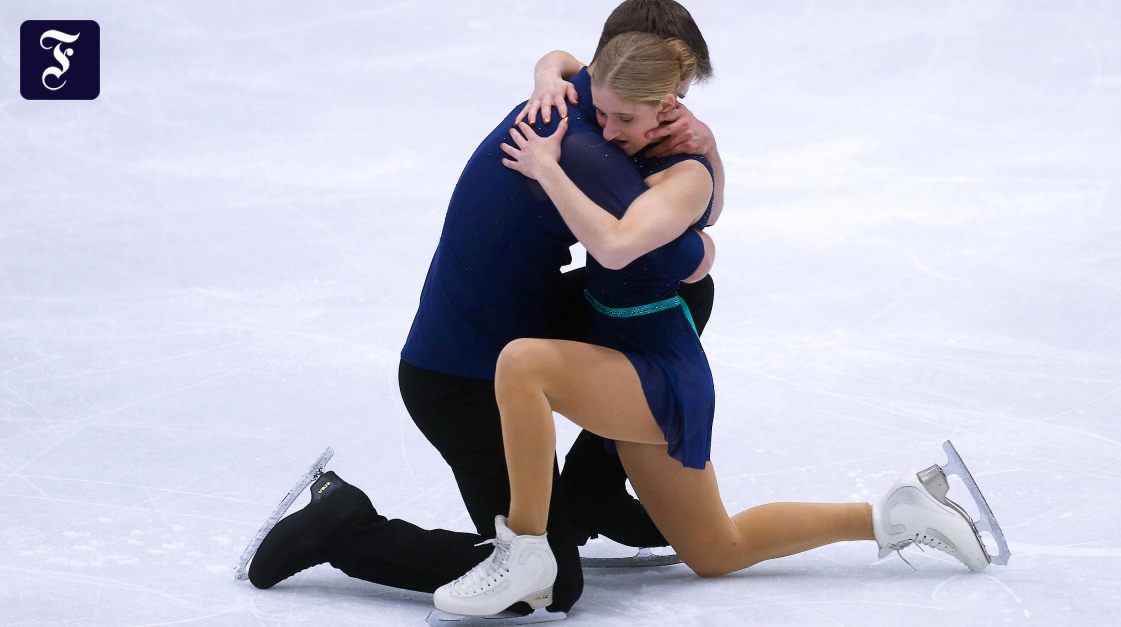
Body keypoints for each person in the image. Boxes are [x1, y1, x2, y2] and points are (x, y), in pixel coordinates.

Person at [433, 32, 1004, 618]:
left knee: (522, 363)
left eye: (624, 118)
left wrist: (548, 169)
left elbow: (614, 246)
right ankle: (894, 513)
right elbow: (572, 64)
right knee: (716, 550)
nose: (607, 130)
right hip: (621, 347)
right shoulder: (633, 130)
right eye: (601, 113)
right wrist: (547, 75)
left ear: (666, 105)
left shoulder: (686, 174)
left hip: (652, 367)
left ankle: (525, 549)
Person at [246, 0, 727, 616]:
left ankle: (594, 490)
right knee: (550, 585)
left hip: (514, 323)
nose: (674, 115)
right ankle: (343, 528)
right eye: (670, 97)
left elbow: (563, 62)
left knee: (680, 302)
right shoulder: (581, 147)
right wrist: (703, 218)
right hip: (459, 377)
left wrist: (703, 146)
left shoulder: (576, 96)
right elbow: (673, 251)